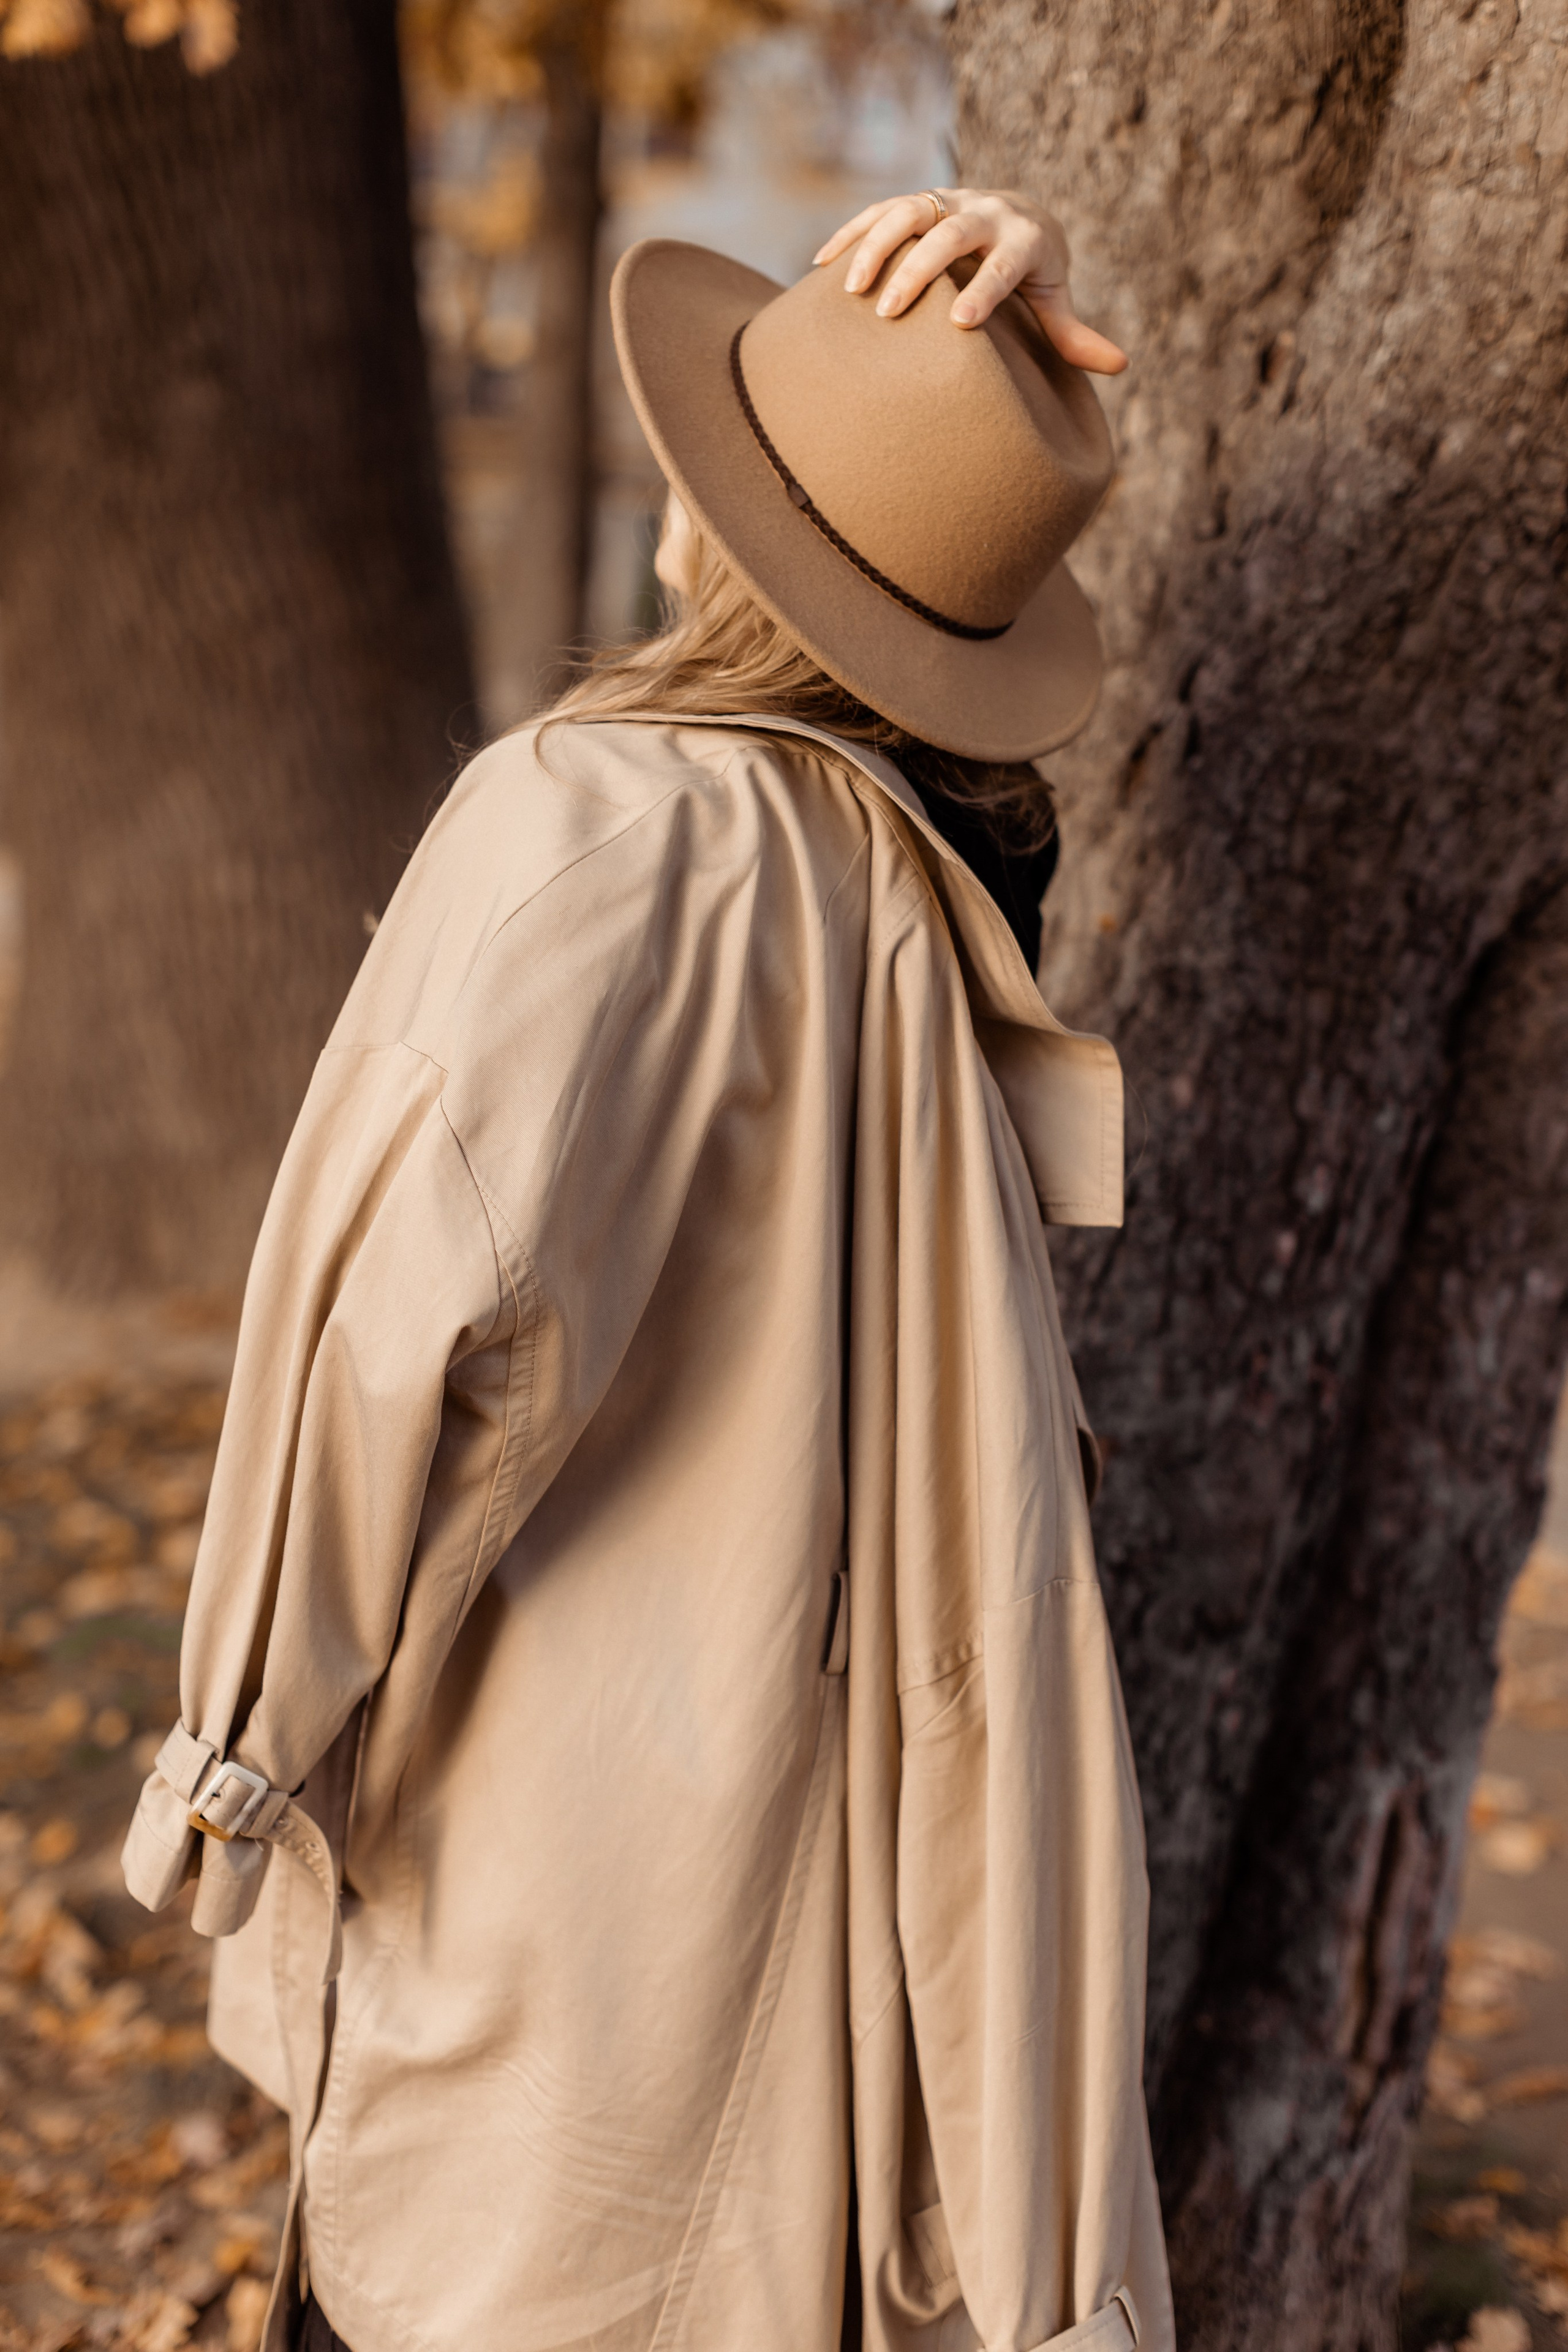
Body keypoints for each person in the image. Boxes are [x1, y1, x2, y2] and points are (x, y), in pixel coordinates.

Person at [123, 187, 1173, 2352]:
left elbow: (376, 1327)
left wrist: (231, 1755)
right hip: (805, 1982)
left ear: (713, 519)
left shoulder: (585, 820)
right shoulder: (925, 882)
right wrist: (962, 409)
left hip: (540, 1942)